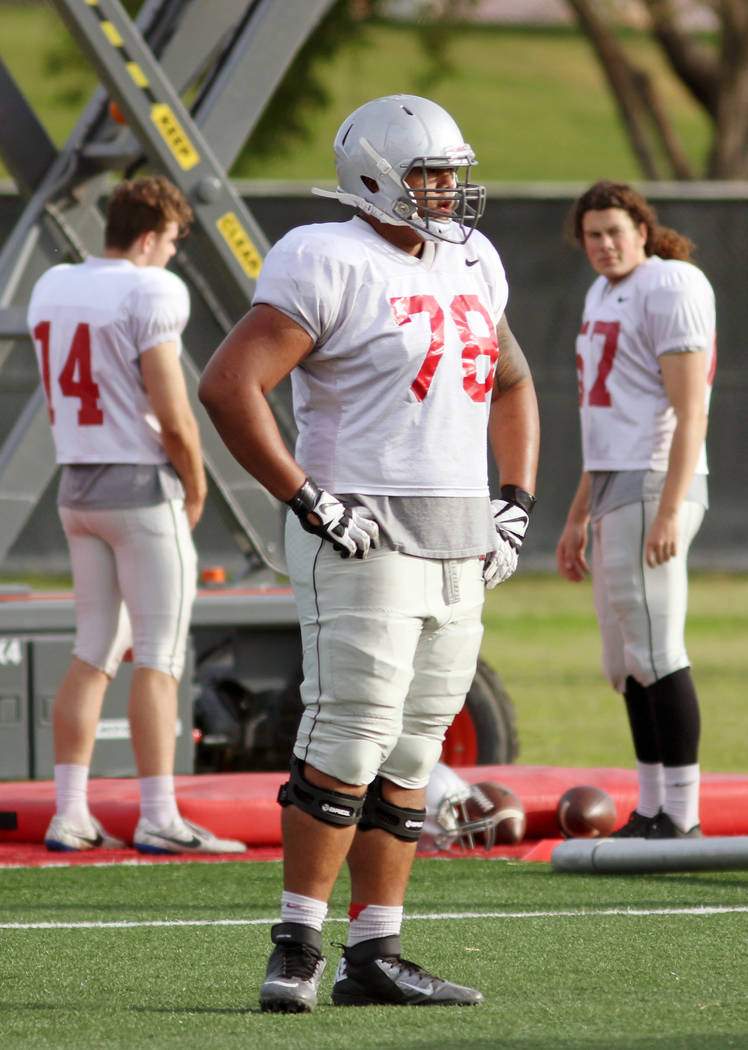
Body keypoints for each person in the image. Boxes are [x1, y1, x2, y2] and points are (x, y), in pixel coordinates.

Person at [199, 93, 539, 1012]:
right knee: (348, 733)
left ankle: (376, 953)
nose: (445, 191)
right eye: (428, 174)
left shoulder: (471, 258)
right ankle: (298, 944)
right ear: (374, 177)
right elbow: (231, 384)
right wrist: (305, 497)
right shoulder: (327, 255)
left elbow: (511, 382)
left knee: (417, 748)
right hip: (365, 527)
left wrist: (513, 502)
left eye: (450, 174)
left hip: (457, 532)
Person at [27, 175, 245, 856]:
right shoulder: (150, 289)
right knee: (160, 653)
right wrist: (196, 478)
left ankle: (69, 812)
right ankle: (159, 814)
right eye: (175, 240)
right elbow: (173, 410)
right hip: (139, 487)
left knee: (92, 649)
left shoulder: (53, 285)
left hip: (76, 488)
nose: (175, 255)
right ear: (150, 236)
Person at [556, 180, 716, 841]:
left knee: (655, 646)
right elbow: (606, 421)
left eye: (615, 231)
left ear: (642, 230)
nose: (604, 244)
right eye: (592, 234)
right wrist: (575, 515)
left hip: (655, 478)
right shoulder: (603, 291)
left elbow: (691, 410)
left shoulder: (670, 284)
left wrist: (671, 506)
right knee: (623, 658)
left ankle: (681, 813)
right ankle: (652, 806)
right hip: (616, 478)